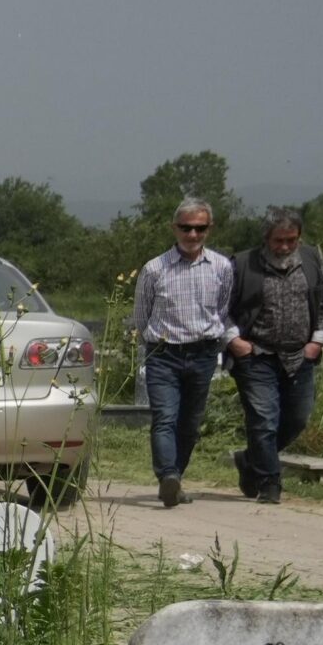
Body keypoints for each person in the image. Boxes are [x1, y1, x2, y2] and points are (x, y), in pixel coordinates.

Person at [129, 198, 237, 508]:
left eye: (199, 228)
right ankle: (167, 476)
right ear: (174, 228)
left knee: (190, 422)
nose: (192, 235)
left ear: (209, 229)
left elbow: (223, 310)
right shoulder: (154, 269)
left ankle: (175, 478)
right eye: (186, 228)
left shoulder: (221, 267)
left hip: (203, 353)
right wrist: (151, 344)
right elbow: (141, 316)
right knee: (165, 417)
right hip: (164, 353)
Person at [227, 208, 323, 505]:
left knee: (297, 419)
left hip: (301, 356)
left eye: (291, 240)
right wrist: (234, 340)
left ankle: (250, 459)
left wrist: (318, 341)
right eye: (279, 241)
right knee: (263, 420)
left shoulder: (313, 261)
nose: (285, 247)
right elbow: (220, 309)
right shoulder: (242, 264)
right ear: (266, 238)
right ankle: (269, 483)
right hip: (257, 355)